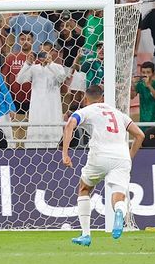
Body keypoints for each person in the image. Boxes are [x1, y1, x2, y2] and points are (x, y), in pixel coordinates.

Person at [62, 85, 145, 247]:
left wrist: (65, 153)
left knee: (84, 189)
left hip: (99, 155)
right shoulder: (118, 113)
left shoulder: (86, 110)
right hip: (121, 157)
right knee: (118, 195)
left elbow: (70, 124)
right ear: (102, 98)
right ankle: (120, 212)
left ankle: (85, 234)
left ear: (86, 99)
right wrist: (129, 157)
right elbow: (140, 135)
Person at [17, 50, 67, 148]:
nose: (45, 57)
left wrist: (50, 64)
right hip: (37, 106)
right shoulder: (34, 68)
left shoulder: (58, 67)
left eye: (47, 54)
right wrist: (27, 64)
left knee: (53, 132)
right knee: (36, 132)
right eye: (43, 55)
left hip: (52, 107)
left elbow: (61, 79)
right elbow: (20, 80)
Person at [131, 61, 155, 128]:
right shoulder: (140, 84)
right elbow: (132, 96)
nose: (145, 74)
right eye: (143, 72)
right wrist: (133, 84)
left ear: (153, 74)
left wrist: (148, 85)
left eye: (148, 72)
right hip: (143, 119)